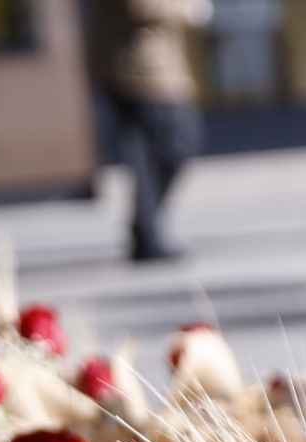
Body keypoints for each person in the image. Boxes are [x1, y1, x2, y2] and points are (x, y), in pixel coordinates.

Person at [91, 0, 211, 262]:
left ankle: (146, 232)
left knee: (148, 156)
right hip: (142, 70)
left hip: (143, 67)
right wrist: (188, 8)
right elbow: (142, 6)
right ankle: (146, 233)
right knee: (174, 146)